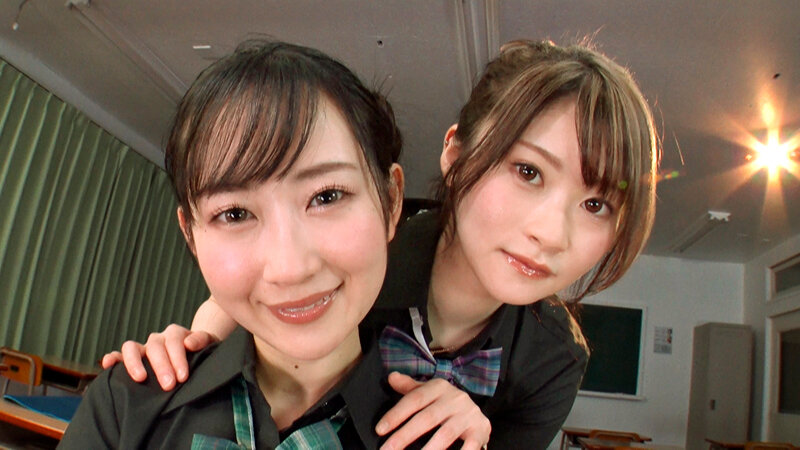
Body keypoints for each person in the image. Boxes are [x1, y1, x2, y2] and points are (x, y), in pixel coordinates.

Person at [102, 39, 659, 449]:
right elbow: (250, 287)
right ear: (455, 153)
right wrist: (187, 349)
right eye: (528, 172)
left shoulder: (555, 358)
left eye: (596, 204)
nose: (552, 234)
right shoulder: (360, 247)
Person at [59, 40, 490, 449]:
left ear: (391, 201)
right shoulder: (126, 406)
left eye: (327, 196)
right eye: (234, 214)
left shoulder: (440, 440)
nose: (290, 268)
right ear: (190, 235)